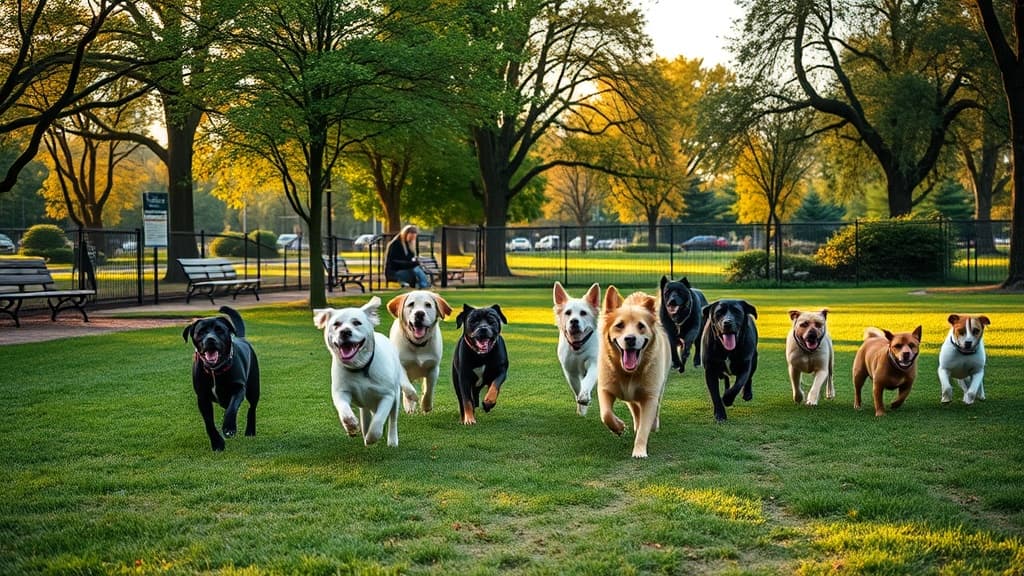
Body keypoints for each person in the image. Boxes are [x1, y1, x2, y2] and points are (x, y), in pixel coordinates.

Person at [384, 224, 430, 288]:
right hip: (395, 272)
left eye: (413, 238)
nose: (412, 240)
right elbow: (394, 263)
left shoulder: (408, 245)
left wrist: (415, 262)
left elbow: (409, 259)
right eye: (411, 237)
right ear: (406, 234)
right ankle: (425, 286)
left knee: (417, 269)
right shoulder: (395, 244)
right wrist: (411, 264)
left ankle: (425, 285)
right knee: (416, 269)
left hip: (405, 270)